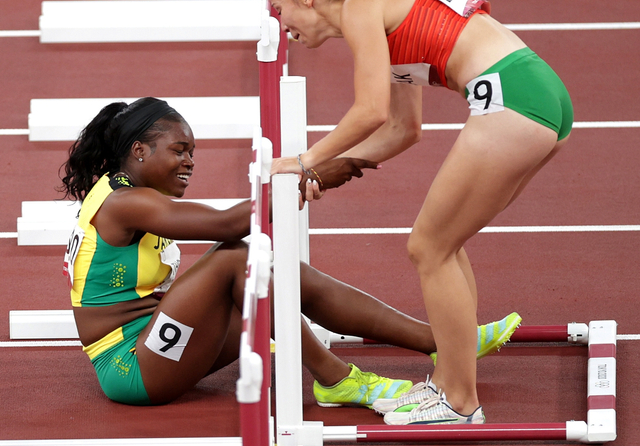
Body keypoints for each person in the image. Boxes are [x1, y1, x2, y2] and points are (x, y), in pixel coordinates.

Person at [269, 0, 572, 426]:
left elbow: (370, 111)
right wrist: (330, 167)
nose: (281, 25)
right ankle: (456, 365)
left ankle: (457, 399)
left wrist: (304, 161)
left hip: (512, 98)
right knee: (444, 244)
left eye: (278, 9)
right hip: (540, 93)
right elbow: (402, 130)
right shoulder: (385, 14)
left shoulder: (361, 3)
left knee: (427, 248)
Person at [59, 97, 516, 408]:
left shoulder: (123, 192)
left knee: (270, 268)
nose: (190, 162)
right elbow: (226, 224)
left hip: (160, 340)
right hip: (132, 365)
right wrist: (305, 177)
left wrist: (304, 180)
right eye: (179, 150)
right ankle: (337, 380)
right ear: (138, 151)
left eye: (192, 152)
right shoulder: (125, 202)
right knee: (237, 257)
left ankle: (444, 342)